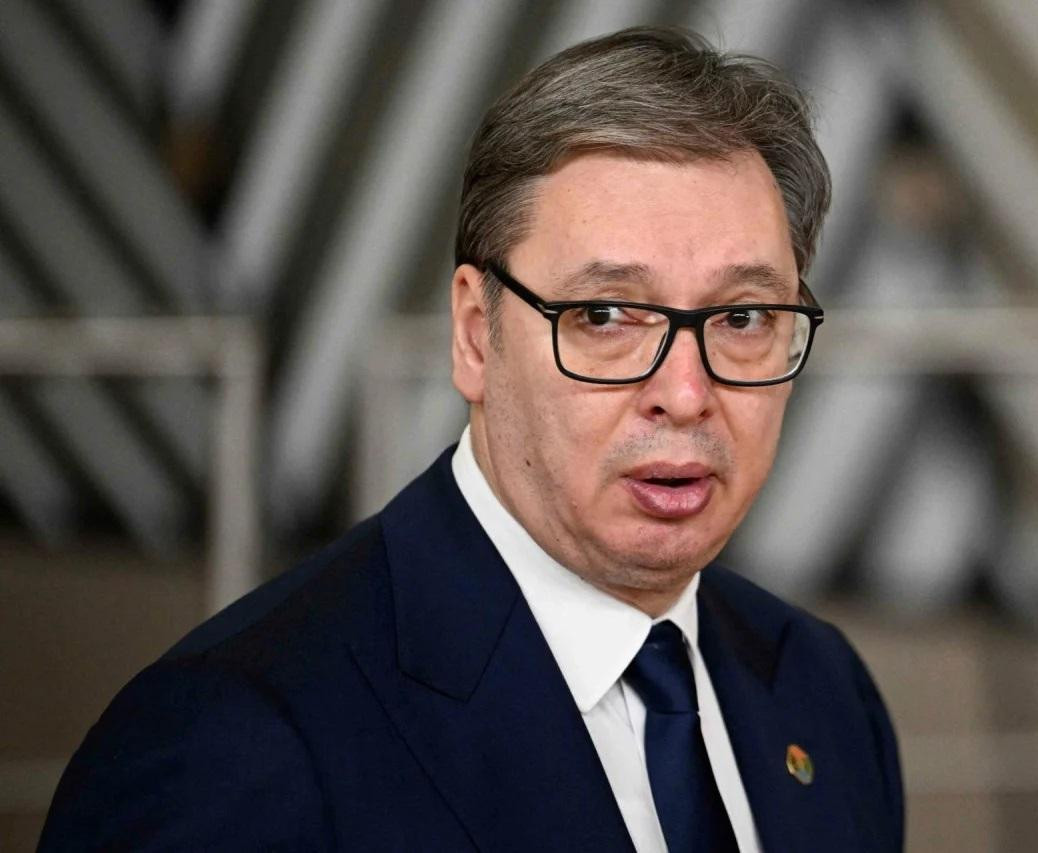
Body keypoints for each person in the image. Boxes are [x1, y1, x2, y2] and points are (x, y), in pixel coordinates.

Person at [40, 26, 902, 852]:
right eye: (606, 315)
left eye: (744, 317)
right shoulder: (232, 743)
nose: (684, 394)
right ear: (474, 335)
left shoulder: (823, 692)